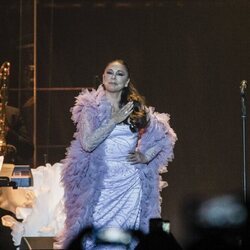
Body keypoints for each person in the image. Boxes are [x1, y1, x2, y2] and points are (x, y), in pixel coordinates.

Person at [55, 59, 177, 249]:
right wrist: (113, 121)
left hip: (129, 184)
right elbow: (87, 144)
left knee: (126, 239)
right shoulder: (90, 108)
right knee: (94, 235)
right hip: (100, 184)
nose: (114, 77)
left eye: (120, 74)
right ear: (103, 77)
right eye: (110, 73)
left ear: (127, 82)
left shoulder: (135, 109)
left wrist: (145, 156)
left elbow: (164, 135)